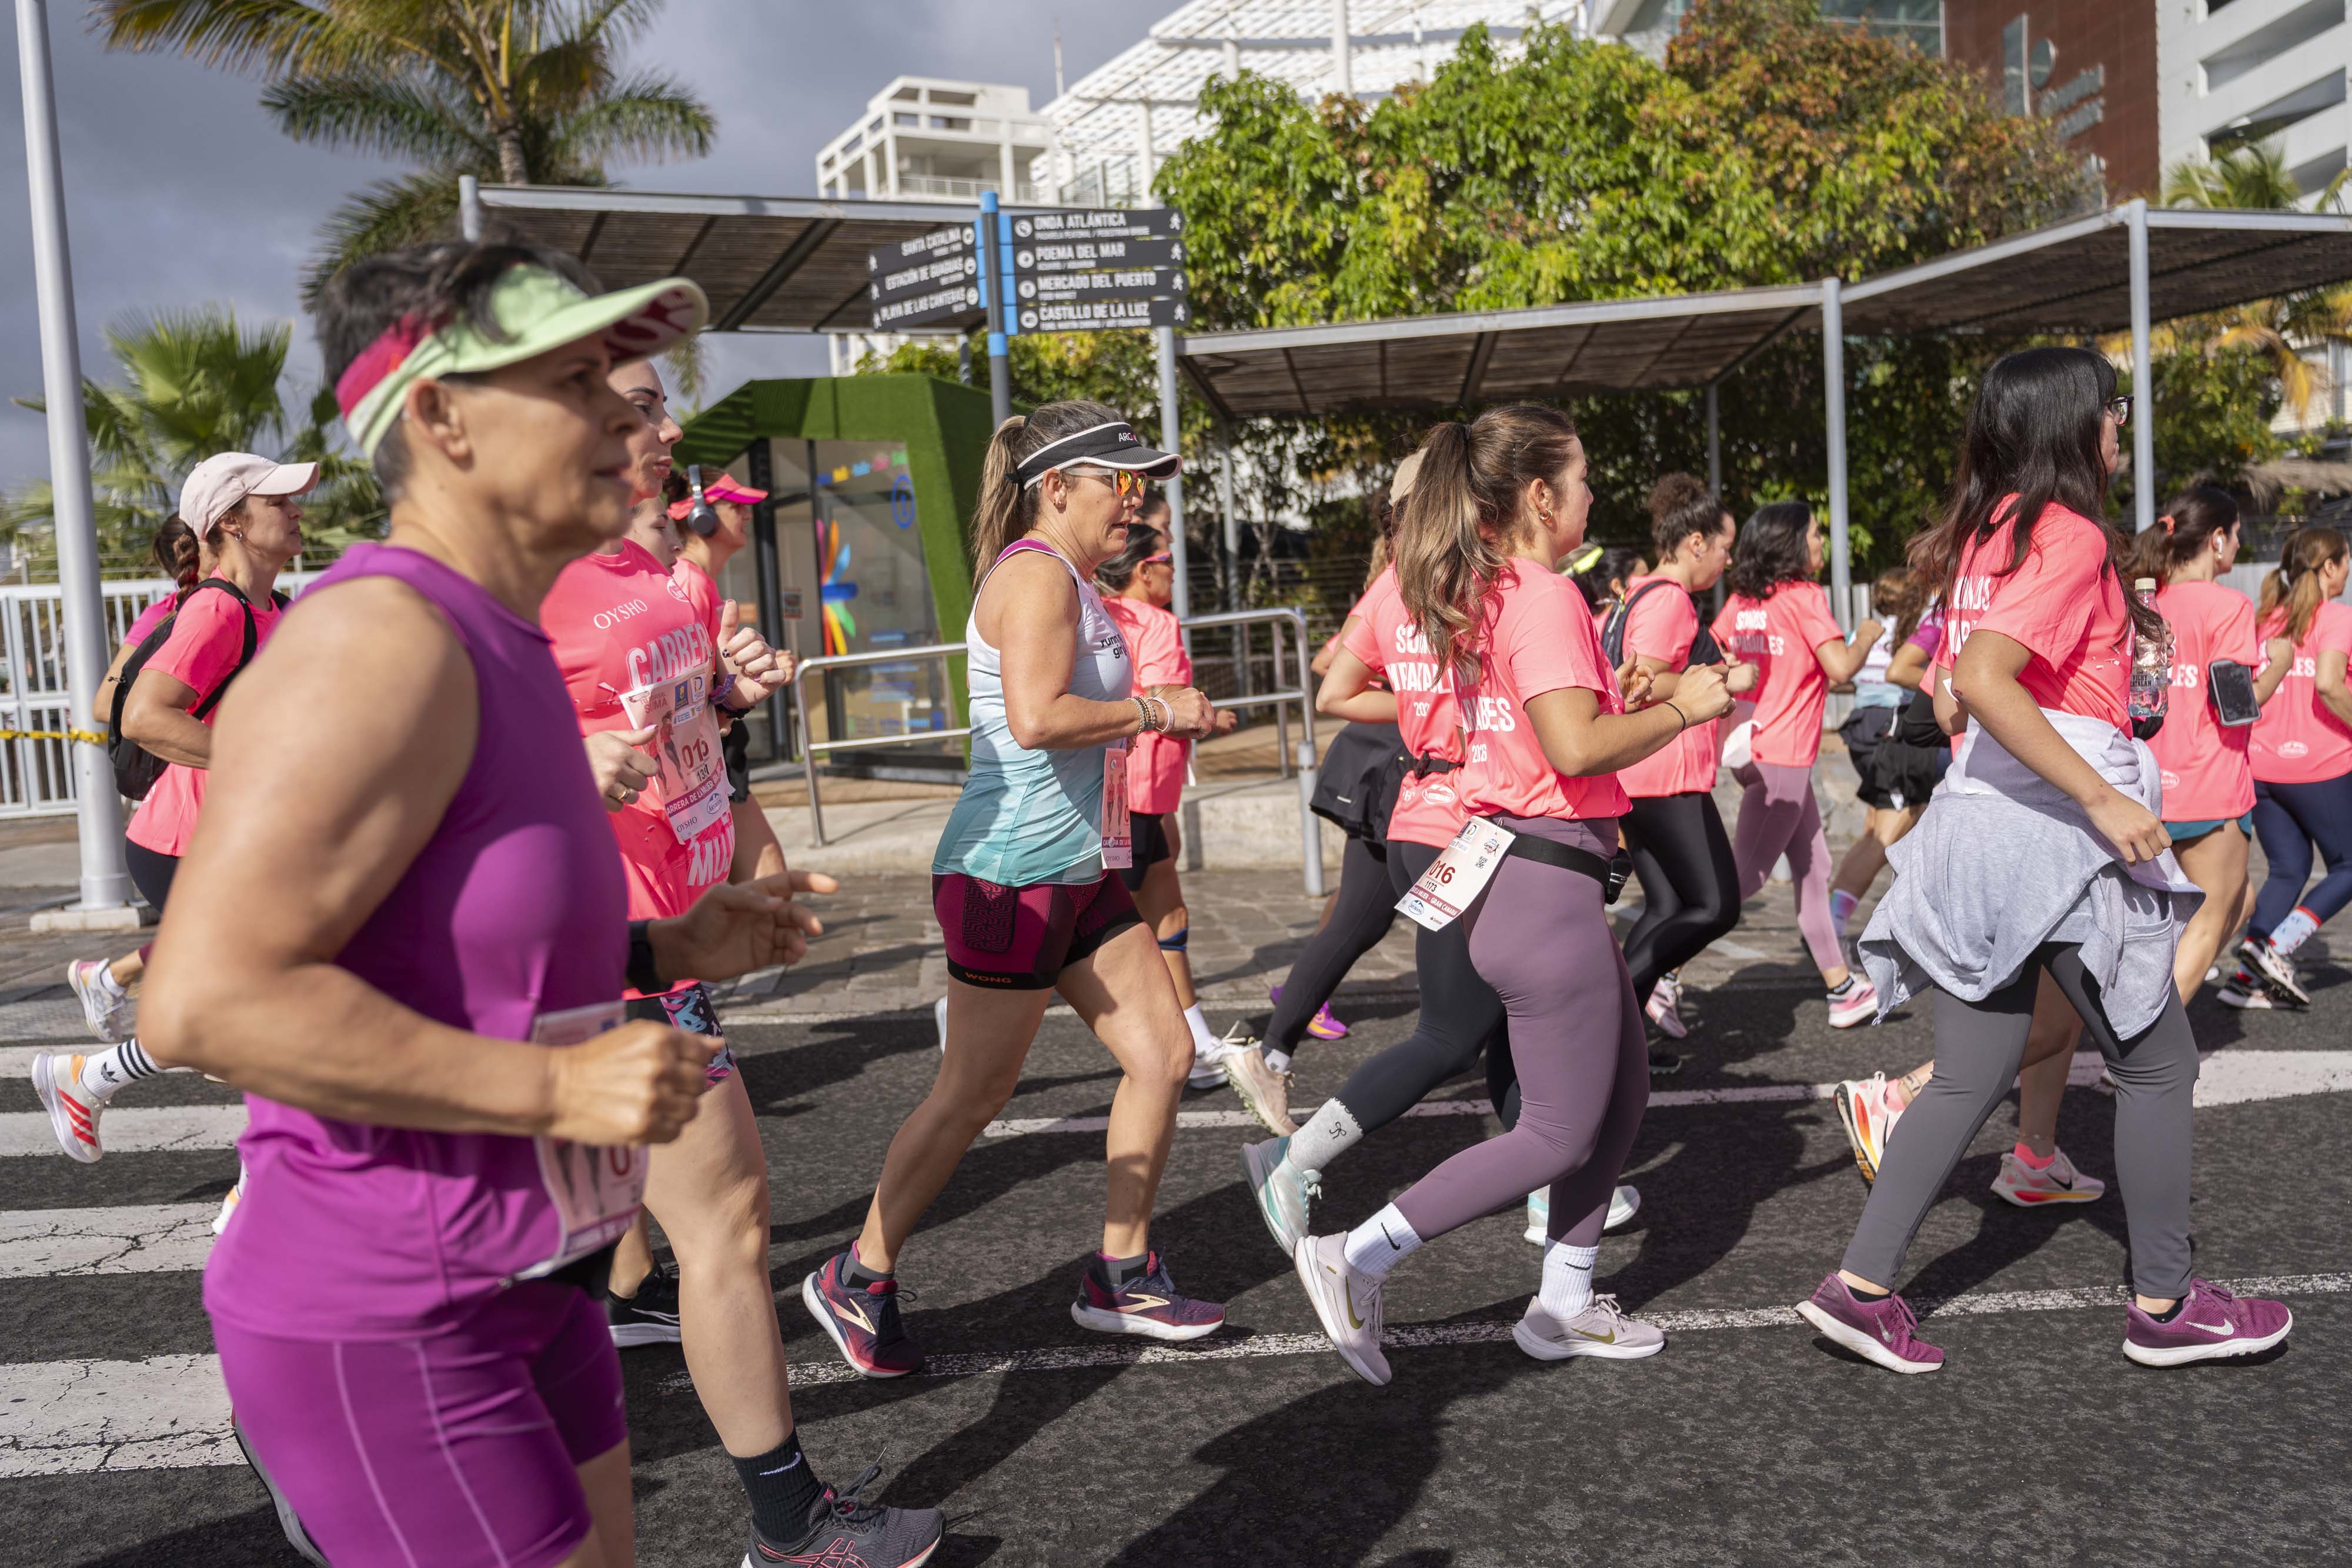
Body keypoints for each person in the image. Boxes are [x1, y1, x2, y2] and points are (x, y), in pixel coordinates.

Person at [138, 240, 940, 1568]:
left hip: (539, 1279)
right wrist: (558, 1095)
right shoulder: (375, 640)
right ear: (440, 418)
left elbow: (437, 947)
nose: (623, 409)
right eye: (572, 378)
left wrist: (658, 943)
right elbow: (200, 1001)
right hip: (391, 1310)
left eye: (618, 376)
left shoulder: (506, 639)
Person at [1809, 345, 2292, 1373]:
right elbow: (1981, 678)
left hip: (1984, 822)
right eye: (2114, 408)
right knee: (2157, 1059)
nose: (2122, 424)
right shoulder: (2067, 534)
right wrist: (2101, 791)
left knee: (1971, 1071)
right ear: (2075, 420)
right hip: (2052, 839)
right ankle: (2167, 1304)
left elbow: (1951, 689)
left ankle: (1858, 1286)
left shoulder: (1989, 530)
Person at [1290, 405, 1733, 1386]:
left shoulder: (1489, 591)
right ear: (1538, 495)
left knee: (1618, 1102)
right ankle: (1353, 1254)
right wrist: (1682, 705)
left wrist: (1626, 688)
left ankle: (1563, 1306)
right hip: (1542, 879)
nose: (1591, 499)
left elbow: (1547, 725)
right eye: (1580, 482)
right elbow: (1574, 749)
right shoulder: (1542, 595)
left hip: (1509, 864)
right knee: (1556, 1130)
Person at [804, 402, 1227, 1379]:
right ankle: (856, 1274)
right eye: (1115, 480)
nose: (1133, 499)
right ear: (1056, 488)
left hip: (1078, 870)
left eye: (1137, 479)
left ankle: (1120, 1272)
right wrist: (1159, 708)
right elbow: (1038, 718)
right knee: (974, 1093)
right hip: (1009, 876)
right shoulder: (1036, 574)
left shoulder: (1070, 578)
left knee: (1162, 1054)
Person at [34, 455, 313, 1172]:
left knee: (265, 1017)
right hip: (187, 847)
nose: (298, 508)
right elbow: (142, 715)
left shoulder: (272, 609)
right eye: (279, 500)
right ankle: (260, 1191)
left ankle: (91, 1079)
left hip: (244, 846)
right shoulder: (217, 608)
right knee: (277, 1020)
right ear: (230, 523)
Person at [1710, 503, 1882, 1028]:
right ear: (1790, 543)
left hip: (1750, 749)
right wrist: (1868, 636)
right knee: (1745, 878)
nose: (1821, 541)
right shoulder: (1805, 597)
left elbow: (1718, 652)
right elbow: (1840, 667)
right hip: (1783, 758)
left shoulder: (1743, 601)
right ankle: (1661, 972)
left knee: (1815, 869)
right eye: (1813, 533)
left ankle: (1842, 987)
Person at [1611, 474, 1755, 1059]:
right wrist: (1724, 677)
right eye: (1724, 548)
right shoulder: (1667, 598)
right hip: (1663, 775)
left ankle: (1619, 1036)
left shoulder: (1641, 593)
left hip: (1646, 775)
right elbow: (1642, 680)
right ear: (1695, 542)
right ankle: (1610, 1011)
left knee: (1670, 907)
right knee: (1717, 906)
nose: (1727, 560)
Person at [1097, 516, 1244, 1079]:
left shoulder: (1107, 613)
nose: (1175, 572)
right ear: (1144, 570)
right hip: (1132, 795)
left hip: (1130, 791)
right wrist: (1203, 717)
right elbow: (1162, 701)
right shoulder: (1157, 622)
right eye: (1168, 561)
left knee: (1169, 914)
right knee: (1094, 935)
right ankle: (966, 1009)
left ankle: (1199, 1044)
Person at [2136, 489, 2293, 1005]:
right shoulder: (2228, 605)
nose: (2240, 546)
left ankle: (2149, 1002)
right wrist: (2280, 665)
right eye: (2238, 535)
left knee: (2240, 901)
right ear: (2217, 538)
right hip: (2211, 790)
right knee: (2209, 922)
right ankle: (2140, 1052)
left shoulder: (2145, 603)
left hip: (2149, 788)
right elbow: (2236, 705)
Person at [63, 513, 204, 1045]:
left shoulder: (253, 607)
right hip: (184, 808)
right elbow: (107, 703)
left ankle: (113, 980)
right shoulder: (169, 617)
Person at [2231, 524, 2352, 1008]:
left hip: (2262, 767)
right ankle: (2275, 947)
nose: (2348, 570)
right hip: (2319, 767)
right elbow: (2328, 683)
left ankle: (2245, 976)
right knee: (2349, 866)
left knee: (2289, 867)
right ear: (2329, 568)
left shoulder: (2268, 617)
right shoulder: (2335, 616)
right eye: (2345, 561)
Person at [667, 466, 797, 887]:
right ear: (700, 515)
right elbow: (688, 680)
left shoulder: (696, 579)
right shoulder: (688, 580)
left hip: (717, 749)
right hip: (710, 754)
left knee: (760, 892)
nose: (745, 514)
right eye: (734, 505)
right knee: (768, 888)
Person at [1825, 567, 1930, 941]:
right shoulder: (1909, 637)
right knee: (1887, 832)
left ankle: (1829, 918)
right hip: (1893, 730)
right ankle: (1832, 924)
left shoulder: (1865, 632)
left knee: (1876, 826)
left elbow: (1851, 674)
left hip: (1861, 727)